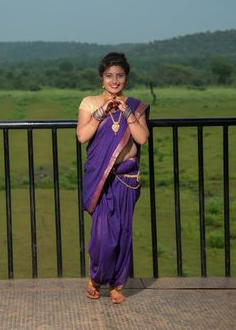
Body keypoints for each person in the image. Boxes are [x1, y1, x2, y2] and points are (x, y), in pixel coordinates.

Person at [76, 52, 149, 304]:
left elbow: (141, 139)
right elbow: (82, 136)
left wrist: (127, 112)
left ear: (126, 79)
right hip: (101, 178)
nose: (114, 80)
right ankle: (95, 278)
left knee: (123, 233)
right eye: (109, 76)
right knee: (102, 237)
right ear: (101, 79)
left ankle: (118, 285)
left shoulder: (135, 106)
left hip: (126, 178)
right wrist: (102, 112)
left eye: (119, 75)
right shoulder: (89, 102)